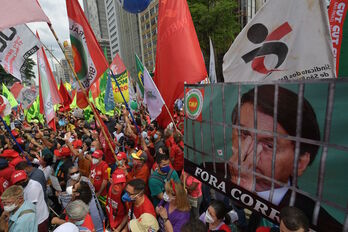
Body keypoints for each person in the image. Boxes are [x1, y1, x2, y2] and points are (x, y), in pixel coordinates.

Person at [228, 85, 342, 231]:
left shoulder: (321, 220)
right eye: (244, 134)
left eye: (269, 145)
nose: (250, 152)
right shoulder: (213, 170)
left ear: (299, 163)